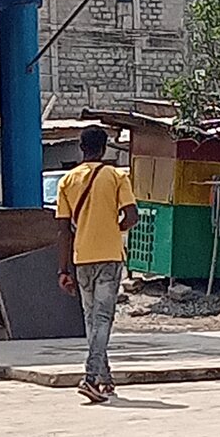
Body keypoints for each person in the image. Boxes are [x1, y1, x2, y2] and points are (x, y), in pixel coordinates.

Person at [56, 126, 139, 404]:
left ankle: (105, 379)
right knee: (103, 319)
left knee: (91, 320)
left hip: (81, 259)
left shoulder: (67, 181)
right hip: (109, 257)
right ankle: (91, 377)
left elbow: (63, 230)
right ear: (105, 148)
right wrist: (114, 227)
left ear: (81, 148)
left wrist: (63, 270)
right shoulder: (116, 176)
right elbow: (131, 216)